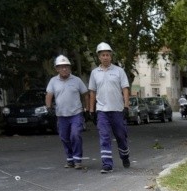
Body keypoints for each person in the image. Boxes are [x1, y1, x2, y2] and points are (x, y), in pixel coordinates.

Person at [88, 42, 131, 174]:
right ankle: (107, 164)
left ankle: (124, 156)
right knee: (104, 136)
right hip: (102, 111)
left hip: (117, 110)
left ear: (111, 56)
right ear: (99, 57)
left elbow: (125, 89)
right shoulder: (95, 73)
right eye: (103, 55)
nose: (105, 57)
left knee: (120, 136)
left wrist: (126, 106)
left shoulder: (119, 71)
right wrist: (91, 110)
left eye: (107, 55)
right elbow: (92, 92)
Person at [46, 55, 88, 169]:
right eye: (61, 67)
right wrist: (49, 107)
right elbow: (49, 95)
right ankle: (70, 159)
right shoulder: (53, 81)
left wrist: (87, 108)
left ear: (69, 68)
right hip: (61, 115)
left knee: (75, 135)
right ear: (57, 69)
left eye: (66, 67)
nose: (64, 69)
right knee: (64, 137)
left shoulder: (77, 80)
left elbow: (85, 94)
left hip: (76, 113)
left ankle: (77, 159)